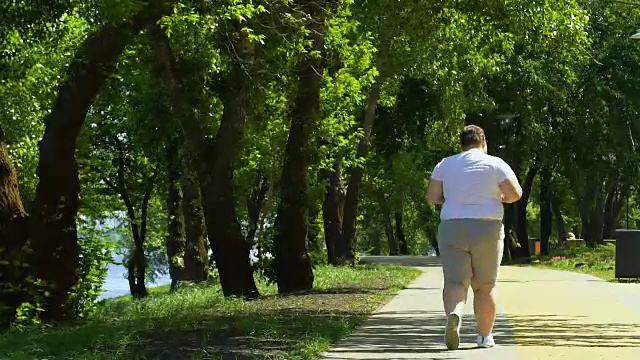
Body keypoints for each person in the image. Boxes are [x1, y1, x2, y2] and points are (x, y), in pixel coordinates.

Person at [426, 125, 522, 350]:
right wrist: (500, 198)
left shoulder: (445, 164)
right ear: (484, 142)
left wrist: (448, 200)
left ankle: (455, 314)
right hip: (487, 227)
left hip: (452, 226)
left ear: (461, 144)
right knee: (485, 286)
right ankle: (484, 337)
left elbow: (432, 196)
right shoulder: (495, 163)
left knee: (455, 282)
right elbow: (515, 193)